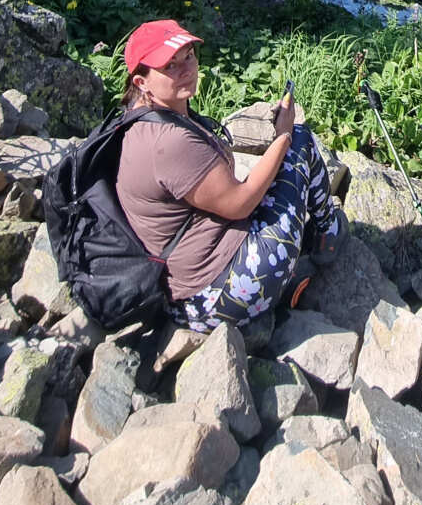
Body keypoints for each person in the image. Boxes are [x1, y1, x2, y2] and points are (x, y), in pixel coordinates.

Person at [115, 19, 344, 331]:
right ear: (142, 82)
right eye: (170, 65)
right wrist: (283, 135)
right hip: (217, 296)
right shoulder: (168, 142)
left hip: (190, 282)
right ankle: (327, 234)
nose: (186, 69)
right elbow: (240, 204)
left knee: (284, 156)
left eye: (189, 56)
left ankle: (315, 236)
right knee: (299, 142)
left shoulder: (142, 115)